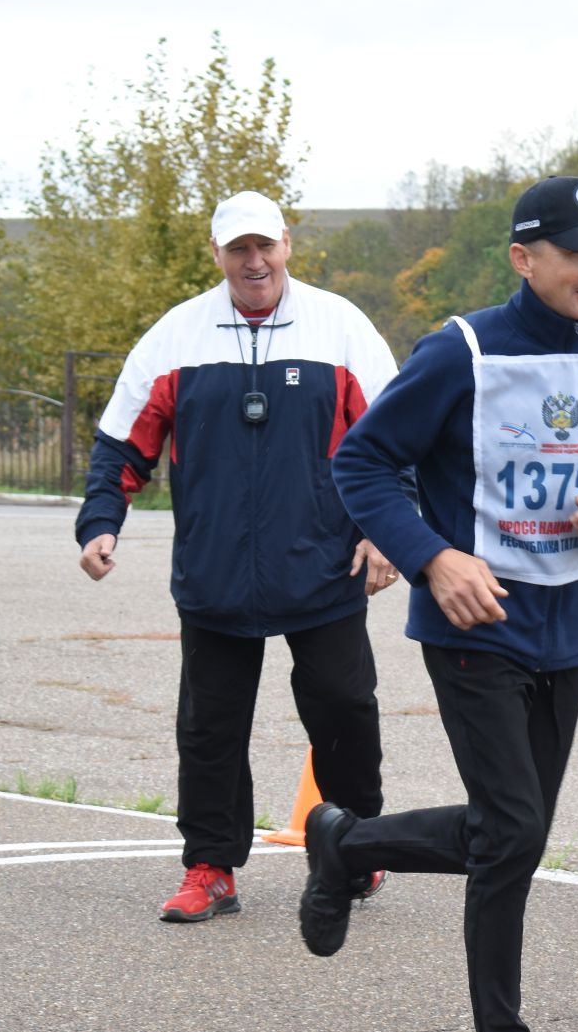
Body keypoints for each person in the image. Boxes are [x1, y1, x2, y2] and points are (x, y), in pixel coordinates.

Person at [308, 176, 578, 1032]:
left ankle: (348, 845)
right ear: (523, 258)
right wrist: (435, 558)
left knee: (513, 832)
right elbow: (362, 460)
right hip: (473, 622)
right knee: (512, 831)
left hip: (569, 625)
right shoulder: (463, 350)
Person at [74, 189, 400, 923]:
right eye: (237, 249)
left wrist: (388, 533)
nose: (254, 261)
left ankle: (356, 848)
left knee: (345, 712)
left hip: (325, 566)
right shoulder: (176, 337)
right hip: (216, 574)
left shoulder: (340, 327)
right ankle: (210, 867)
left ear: (287, 243)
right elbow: (123, 444)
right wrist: (101, 521)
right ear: (217, 255)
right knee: (210, 728)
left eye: (265, 246)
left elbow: (394, 441)